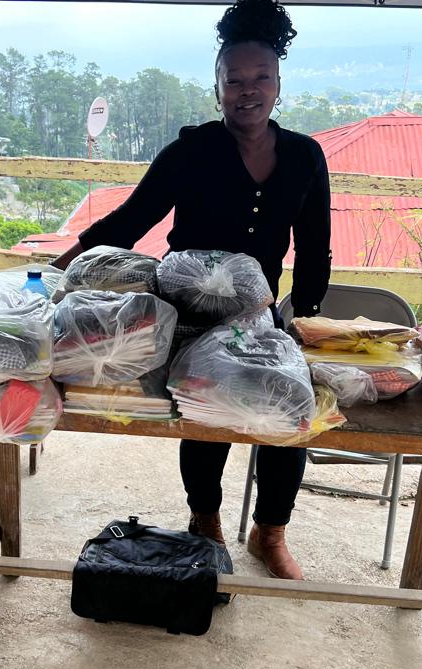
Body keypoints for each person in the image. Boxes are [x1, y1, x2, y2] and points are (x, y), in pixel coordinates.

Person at [53, 0, 330, 580]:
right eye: (234, 80)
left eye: (260, 79)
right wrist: (61, 268)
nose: (247, 91)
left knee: (288, 413)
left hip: (260, 318)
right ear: (218, 86)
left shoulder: (305, 156)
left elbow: (314, 247)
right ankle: (205, 523)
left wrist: (303, 320)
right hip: (191, 319)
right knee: (206, 421)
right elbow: (128, 223)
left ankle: (269, 532)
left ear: (278, 85)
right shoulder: (190, 151)